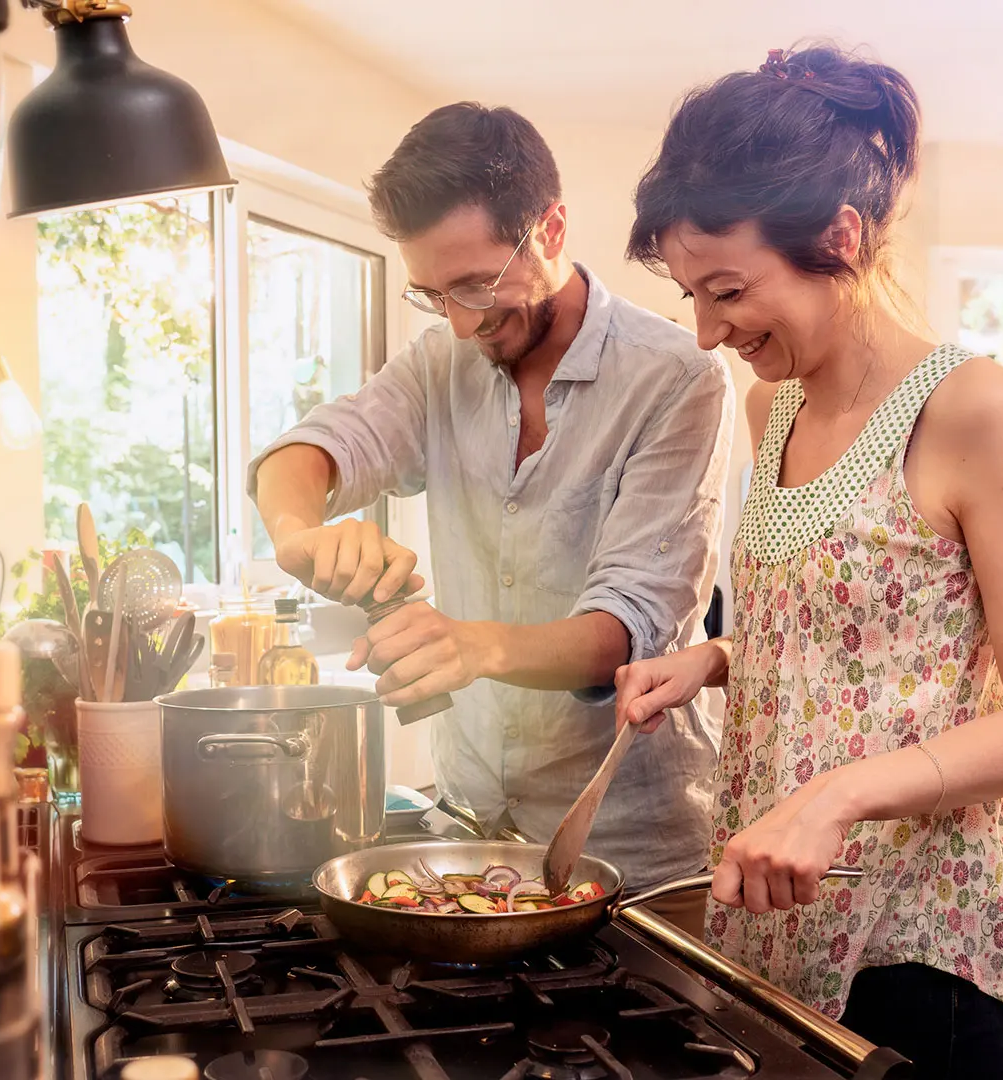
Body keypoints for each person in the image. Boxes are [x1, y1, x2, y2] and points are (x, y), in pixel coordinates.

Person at [613, 45, 1003, 1079]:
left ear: (838, 236)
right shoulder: (770, 401)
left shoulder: (976, 408)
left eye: (729, 289)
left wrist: (837, 796)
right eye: (694, 295)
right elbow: (868, 631)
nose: (707, 331)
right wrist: (718, 659)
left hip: (922, 940)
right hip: (776, 918)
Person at [249, 103, 734, 931]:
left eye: (477, 283)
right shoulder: (441, 359)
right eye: (433, 292)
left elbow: (633, 627)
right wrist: (302, 535)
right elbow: (314, 449)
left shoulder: (679, 377)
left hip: (638, 852)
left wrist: (471, 645)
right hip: (470, 830)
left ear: (550, 227)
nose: (463, 320)